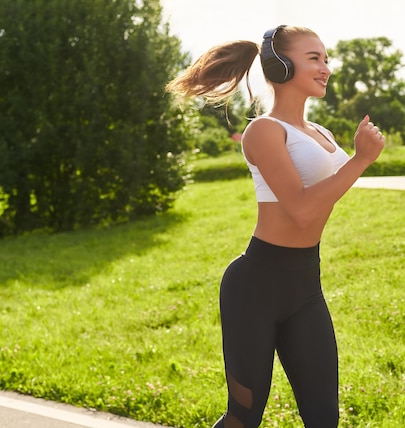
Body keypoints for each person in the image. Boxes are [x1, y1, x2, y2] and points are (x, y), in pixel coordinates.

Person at [165, 25, 385, 428]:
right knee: (244, 416)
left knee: (324, 419)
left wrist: (355, 159)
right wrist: (359, 161)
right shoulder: (263, 131)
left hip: (305, 286)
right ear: (281, 66)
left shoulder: (321, 134)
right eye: (314, 58)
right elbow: (301, 211)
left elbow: (321, 201)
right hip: (255, 288)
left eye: (326, 58)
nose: (326, 68)